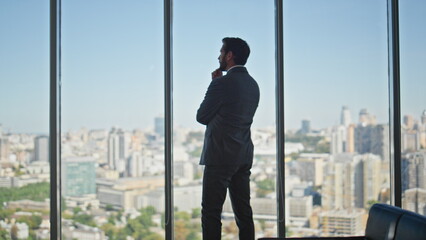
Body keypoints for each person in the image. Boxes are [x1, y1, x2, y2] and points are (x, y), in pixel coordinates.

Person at [196, 37, 260, 240]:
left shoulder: (222, 84)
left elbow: (202, 116)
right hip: (243, 155)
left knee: (211, 213)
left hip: (220, 156)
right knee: (243, 212)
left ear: (229, 55)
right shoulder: (253, 85)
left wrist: (214, 84)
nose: (219, 56)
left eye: (221, 52)